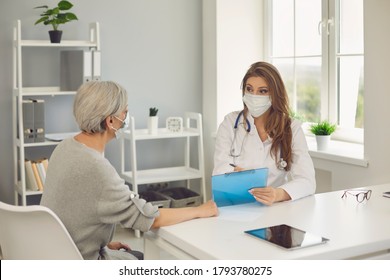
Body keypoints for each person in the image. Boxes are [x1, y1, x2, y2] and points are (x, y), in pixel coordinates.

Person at [40, 80, 218, 260]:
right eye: (124, 113)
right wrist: (199, 210)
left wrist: (101, 242)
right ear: (110, 121)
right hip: (81, 264)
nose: (125, 118)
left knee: (134, 254)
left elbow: (71, 208)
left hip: (55, 254)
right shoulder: (98, 168)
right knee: (141, 258)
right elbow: (149, 218)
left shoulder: (64, 147)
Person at [213, 61, 315, 205]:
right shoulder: (230, 123)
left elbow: (307, 181)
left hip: (273, 209)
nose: (254, 96)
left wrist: (277, 193)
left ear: (275, 94)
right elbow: (219, 172)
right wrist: (235, 176)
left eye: (262, 91)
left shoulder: (292, 128)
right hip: (233, 205)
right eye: (249, 89)